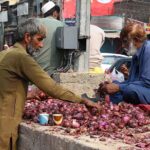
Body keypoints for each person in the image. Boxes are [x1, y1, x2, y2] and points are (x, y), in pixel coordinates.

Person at [0, 18, 100, 150]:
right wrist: (82, 100)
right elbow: (51, 87)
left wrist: (28, 95)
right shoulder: (21, 57)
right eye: (39, 39)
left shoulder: (4, 54)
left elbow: (6, 87)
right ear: (27, 37)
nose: (41, 45)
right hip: (5, 124)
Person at [98, 23, 150, 105]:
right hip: (142, 89)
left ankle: (120, 102)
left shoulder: (148, 50)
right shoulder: (135, 55)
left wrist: (119, 87)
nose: (123, 45)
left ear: (136, 40)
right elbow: (132, 81)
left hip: (147, 89)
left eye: (125, 41)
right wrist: (114, 85)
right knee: (116, 84)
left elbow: (147, 83)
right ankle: (117, 105)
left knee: (130, 90)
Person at [33, 1, 64, 76]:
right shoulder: (63, 25)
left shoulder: (34, 22)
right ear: (55, 13)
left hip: (34, 69)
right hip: (54, 72)